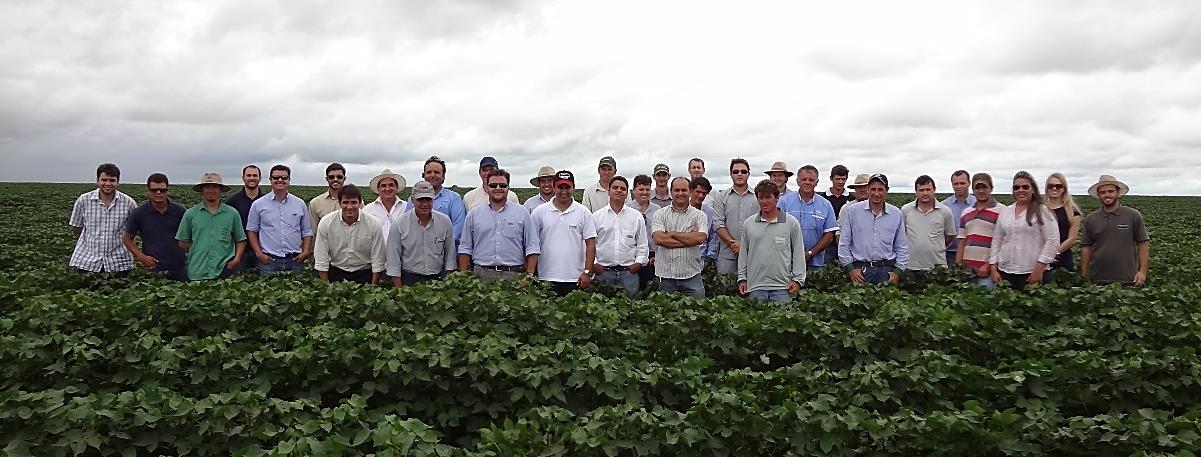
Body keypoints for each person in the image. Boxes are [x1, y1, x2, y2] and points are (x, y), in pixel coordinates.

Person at [459, 169, 540, 282]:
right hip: (481, 275)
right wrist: (464, 275)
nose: (498, 188)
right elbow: (465, 247)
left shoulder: (522, 213)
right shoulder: (474, 214)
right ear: (486, 188)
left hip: (514, 274)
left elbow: (532, 246)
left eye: (502, 185)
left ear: (508, 188)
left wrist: (529, 274)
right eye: (493, 185)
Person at [530, 171, 598, 296]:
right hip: (546, 277)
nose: (564, 191)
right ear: (554, 187)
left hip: (576, 279)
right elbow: (532, 243)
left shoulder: (583, 212)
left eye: (567, 187)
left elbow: (591, 244)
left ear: (574, 188)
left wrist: (587, 272)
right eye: (560, 187)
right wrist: (531, 273)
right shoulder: (539, 212)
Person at [737, 180, 806, 302]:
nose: (764, 201)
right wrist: (742, 279)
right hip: (755, 286)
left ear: (777, 198)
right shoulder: (749, 223)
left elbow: (798, 254)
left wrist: (797, 280)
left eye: (768, 197)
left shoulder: (791, 223)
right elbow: (743, 254)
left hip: (783, 287)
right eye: (761, 197)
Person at [988, 171, 1058, 291]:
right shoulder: (1006, 211)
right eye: (1016, 187)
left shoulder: (1042, 211)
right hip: (1005, 272)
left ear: (1033, 189)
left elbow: (1052, 241)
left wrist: (1039, 269)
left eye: (1025, 187)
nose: (1021, 190)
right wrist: (993, 268)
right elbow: (997, 240)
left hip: (1031, 273)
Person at [838, 174, 909, 285]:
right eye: (873, 189)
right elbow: (844, 243)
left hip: (886, 269)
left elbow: (902, 246)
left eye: (880, 189)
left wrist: (897, 272)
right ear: (868, 190)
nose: (876, 193)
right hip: (860, 271)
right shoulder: (853, 211)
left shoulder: (896, 214)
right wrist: (850, 269)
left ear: (887, 190)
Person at [69, 163, 137, 276]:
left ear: (118, 182)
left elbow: (132, 231)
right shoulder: (83, 200)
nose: (108, 184)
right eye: (104, 180)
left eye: (112, 180)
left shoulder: (129, 203)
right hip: (87, 261)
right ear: (97, 180)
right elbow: (76, 228)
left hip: (119, 262)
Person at [1081, 175, 1150, 286]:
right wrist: (1084, 273)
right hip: (1097, 279)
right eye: (1103, 192)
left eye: (1110, 191)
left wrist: (1142, 272)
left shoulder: (1133, 215)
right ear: (1098, 195)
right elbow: (1086, 248)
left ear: (1118, 193)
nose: (1107, 195)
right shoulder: (1091, 218)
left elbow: (1143, 244)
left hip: (1128, 278)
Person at [176, 173, 246, 280]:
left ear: (220, 190)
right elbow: (183, 242)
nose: (211, 190)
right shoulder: (190, 214)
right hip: (197, 271)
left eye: (215, 187)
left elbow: (240, 240)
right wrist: (199, 249)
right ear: (202, 190)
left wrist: (235, 261)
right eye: (207, 187)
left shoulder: (232, 213)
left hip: (225, 270)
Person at [247, 165, 314, 276]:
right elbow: (252, 230)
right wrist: (259, 254)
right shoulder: (258, 204)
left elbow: (306, 231)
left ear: (289, 180)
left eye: (284, 178)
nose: (280, 180)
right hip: (269, 260)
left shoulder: (299, 203)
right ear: (270, 180)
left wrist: (306, 251)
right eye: (276, 177)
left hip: (295, 259)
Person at [387, 181, 457, 286]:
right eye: (420, 200)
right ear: (412, 200)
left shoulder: (445, 221)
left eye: (428, 199)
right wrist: (399, 289)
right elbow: (393, 261)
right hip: (409, 279)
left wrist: (447, 283)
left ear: (433, 199)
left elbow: (450, 257)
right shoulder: (399, 224)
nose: (425, 204)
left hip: (437, 279)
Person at [314, 184, 386, 285]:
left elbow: (377, 259)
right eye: (345, 202)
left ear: (360, 203)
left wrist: (373, 287)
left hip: (364, 273)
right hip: (336, 272)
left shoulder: (373, 224)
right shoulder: (326, 222)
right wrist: (327, 287)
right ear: (339, 203)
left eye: (354, 202)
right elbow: (321, 258)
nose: (349, 207)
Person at [592, 176, 649, 299]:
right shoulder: (596, 216)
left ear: (627, 193)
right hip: (603, 273)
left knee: (630, 312)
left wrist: (638, 263)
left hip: (628, 274)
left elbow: (642, 244)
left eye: (622, 188)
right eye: (615, 188)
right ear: (609, 191)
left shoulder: (636, 217)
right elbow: (590, 244)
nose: (619, 190)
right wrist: (595, 264)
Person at [122, 173, 187, 281]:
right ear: (148, 190)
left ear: (168, 190)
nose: (158, 193)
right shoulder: (139, 213)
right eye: (154, 190)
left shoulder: (180, 211)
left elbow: (192, 236)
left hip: (179, 267)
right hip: (152, 268)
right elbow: (127, 238)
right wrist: (141, 257)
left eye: (162, 190)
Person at [652, 177, 709, 299]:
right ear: (671, 192)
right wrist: (690, 239)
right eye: (676, 190)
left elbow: (700, 238)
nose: (680, 193)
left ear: (690, 192)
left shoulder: (700, 215)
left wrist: (671, 234)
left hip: (692, 276)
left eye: (684, 190)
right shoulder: (659, 214)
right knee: (665, 316)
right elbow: (659, 239)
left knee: (698, 312)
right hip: (666, 276)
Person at [777, 165, 838, 270]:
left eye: (811, 180)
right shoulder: (784, 202)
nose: (807, 182)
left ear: (817, 182)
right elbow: (777, 230)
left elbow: (829, 236)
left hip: (816, 264)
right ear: (797, 181)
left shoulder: (826, 205)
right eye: (804, 179)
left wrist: (810, 253)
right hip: (788, 261)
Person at [901, 175, 957, 285]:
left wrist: (935, 246)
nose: (925, 193)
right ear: (916, 192)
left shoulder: (945, 211)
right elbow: (902, 235)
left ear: (934, 190)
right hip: (911, 266)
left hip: (937, 267)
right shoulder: (906, 210)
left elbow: (950, 236)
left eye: (928, 189)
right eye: (921, 190)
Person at [956, 173, 1004, 288]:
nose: (981, 191)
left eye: (984, 187)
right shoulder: (966, 212)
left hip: (987, 272)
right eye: (977, 188)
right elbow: (962, 242)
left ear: (991, 188)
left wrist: (988, 265)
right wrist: (958, 267)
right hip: (967, 271)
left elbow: (1003, 243)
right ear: (972, 189)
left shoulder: (1002, 211)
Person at [712, 158, 757, 275]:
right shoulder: (721, 197)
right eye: (736, 172)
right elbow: (718, 224)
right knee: (725, 289)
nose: (740, 174)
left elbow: (761, 224)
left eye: (743, 171)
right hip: (727, 255)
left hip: (753, 254)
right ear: (731, 174)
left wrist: (744, 246)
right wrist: (734, 244)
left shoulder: (758, 197)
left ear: (749, 174)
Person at [411, 156, 466, 242]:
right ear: (424, 175)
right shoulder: (413, 199)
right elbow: (408, 225)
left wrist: (439, 243)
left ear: (443, 176)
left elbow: (458, 227)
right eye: (429, 172)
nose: (432, 175)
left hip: (446, 251)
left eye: (436, 172)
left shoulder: (454, 199)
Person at [224, 164, 264, 271]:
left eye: (255, 175)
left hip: (263, 252)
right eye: (248, 175)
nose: (252, 178)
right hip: (239, 253)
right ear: (243, 178)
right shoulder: (232, 201)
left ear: (260, 178)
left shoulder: (267, 201)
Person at [628, 174, 661, 290]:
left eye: (647, 189)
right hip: (633, 254)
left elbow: (662, 234)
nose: (644, 192)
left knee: (651, 287)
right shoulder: (627, 209)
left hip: (652, 255)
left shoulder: (658, 210)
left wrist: (658, 254)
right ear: (634, 191)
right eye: (641, 189)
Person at [1044, 172, 1082, 272]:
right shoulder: (1040, 209)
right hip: (1039, 259)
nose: (1054, 188)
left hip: (1062, 259)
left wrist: (1053, 253)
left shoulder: (1073, 212)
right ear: (1046, 188)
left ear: (1064, 188)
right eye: (1051, 186)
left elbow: (1072, 239)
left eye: (1058, 186)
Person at [941, 170, 976, 266]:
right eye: (956, 184)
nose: (959, 186)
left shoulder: (977, 203)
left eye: (962, 183)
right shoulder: (944, 206)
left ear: (969, 183)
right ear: (952, 185)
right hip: (949, 253)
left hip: (972, 253)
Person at [819, 164, 851, 265]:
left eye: (843, 179)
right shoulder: (822, 199)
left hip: (847, 244)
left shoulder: (852, 199)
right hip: (827, 244)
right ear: (831, 179)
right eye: (837, 179)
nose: (840, 182)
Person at [363, 169, 408, 239]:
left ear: (397, 187)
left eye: (391, 185)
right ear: (378, 189)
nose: (387, 189)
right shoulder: (368, 210)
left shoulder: (406, 207)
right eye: (383, 186)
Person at [689, 177, 719, 266]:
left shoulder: (710, 213)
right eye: (698, 192)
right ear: (691, 190)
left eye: (704, 193)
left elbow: (713, 238)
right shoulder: (681, 210)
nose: (701, 196)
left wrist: (708, 259)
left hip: (702, 260)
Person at [309, 163, 346, 233]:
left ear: (344, 178)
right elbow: (313, 232)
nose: (335, 179)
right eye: (331, 177)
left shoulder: (356, 202)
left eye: (339, 177)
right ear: (327, 179)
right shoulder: (315, 203)